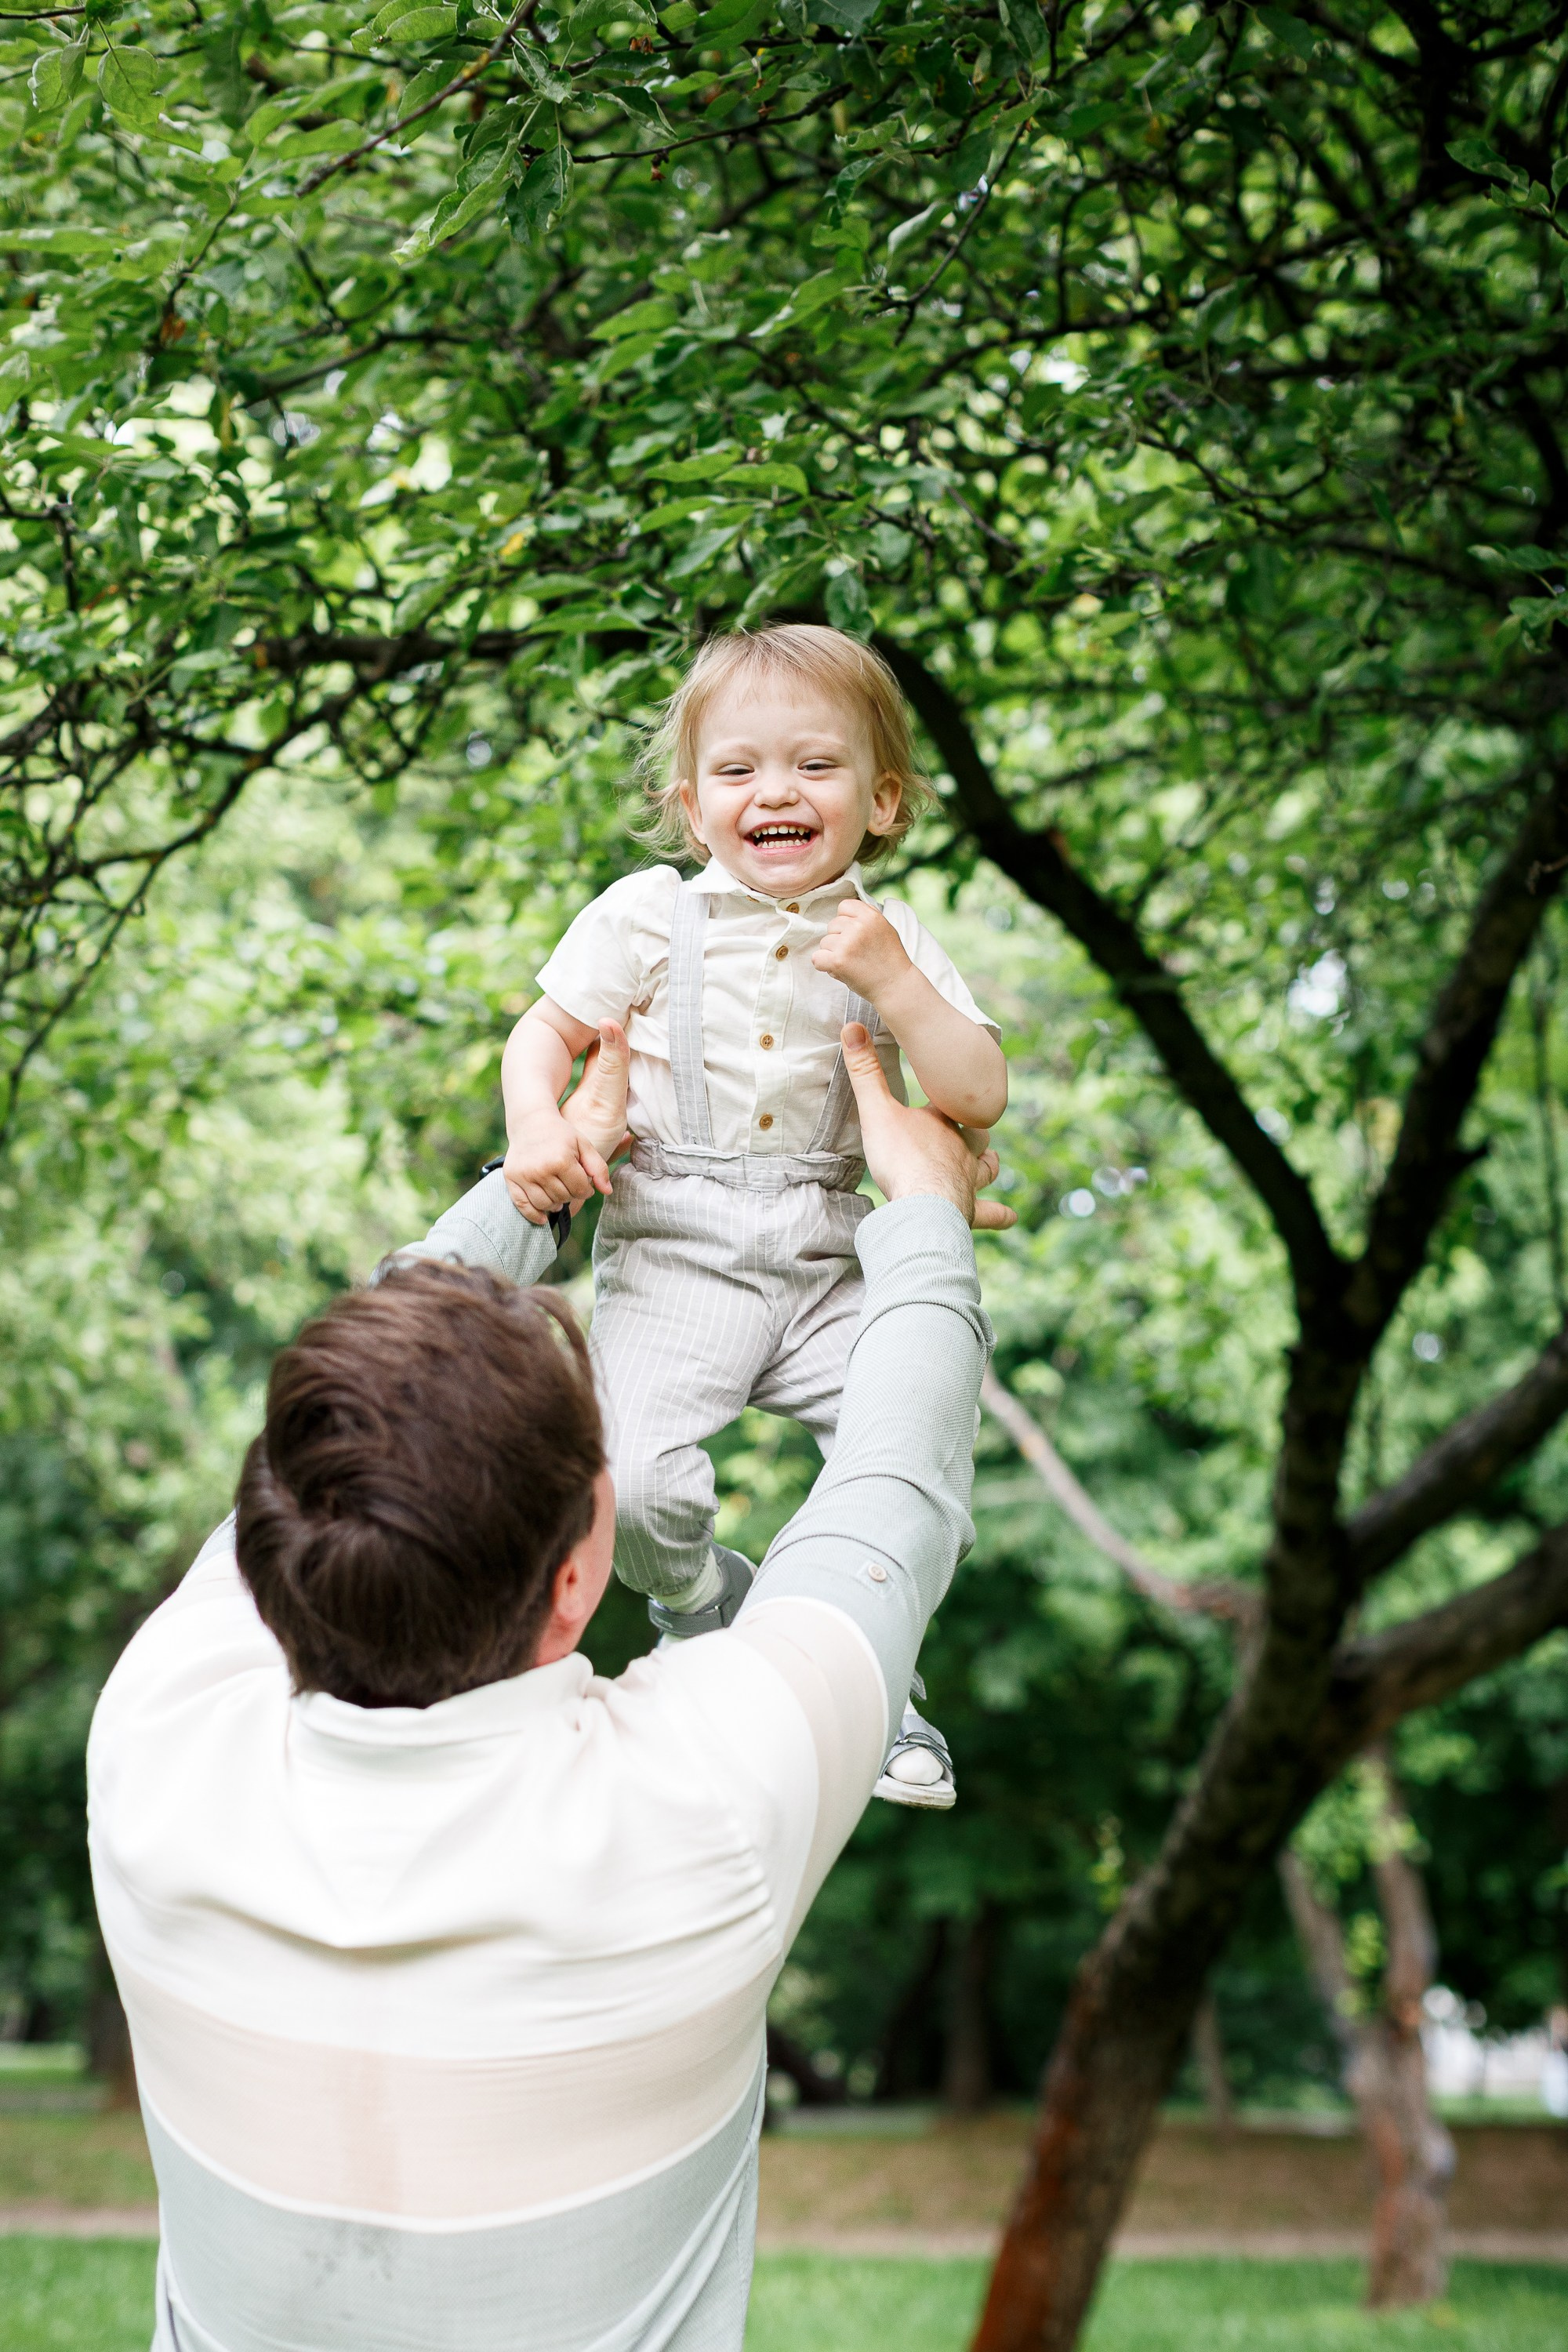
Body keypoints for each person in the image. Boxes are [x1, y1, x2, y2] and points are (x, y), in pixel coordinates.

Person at [88, 1029, 1011, 2352]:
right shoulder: (700, 1813)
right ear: (587, 1565)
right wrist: (924, 1217)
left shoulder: (159, 1735)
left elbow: (319, 1457)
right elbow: (890, 1502)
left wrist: (538, 1186)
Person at [500, 624, 1007, 1806]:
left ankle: (876, 1684)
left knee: (915, 1458)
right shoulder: (643, 916)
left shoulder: (894, 937)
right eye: (738, 771)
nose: (776, 791)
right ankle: (699, 1605)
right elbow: (545, 1035)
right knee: (628, 1477)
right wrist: (538, 1125)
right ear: (692, 806)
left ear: (881, 801)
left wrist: (892, 984)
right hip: (677, 1251)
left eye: (816, 766)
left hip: (832, 1254)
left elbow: (977, 1090)